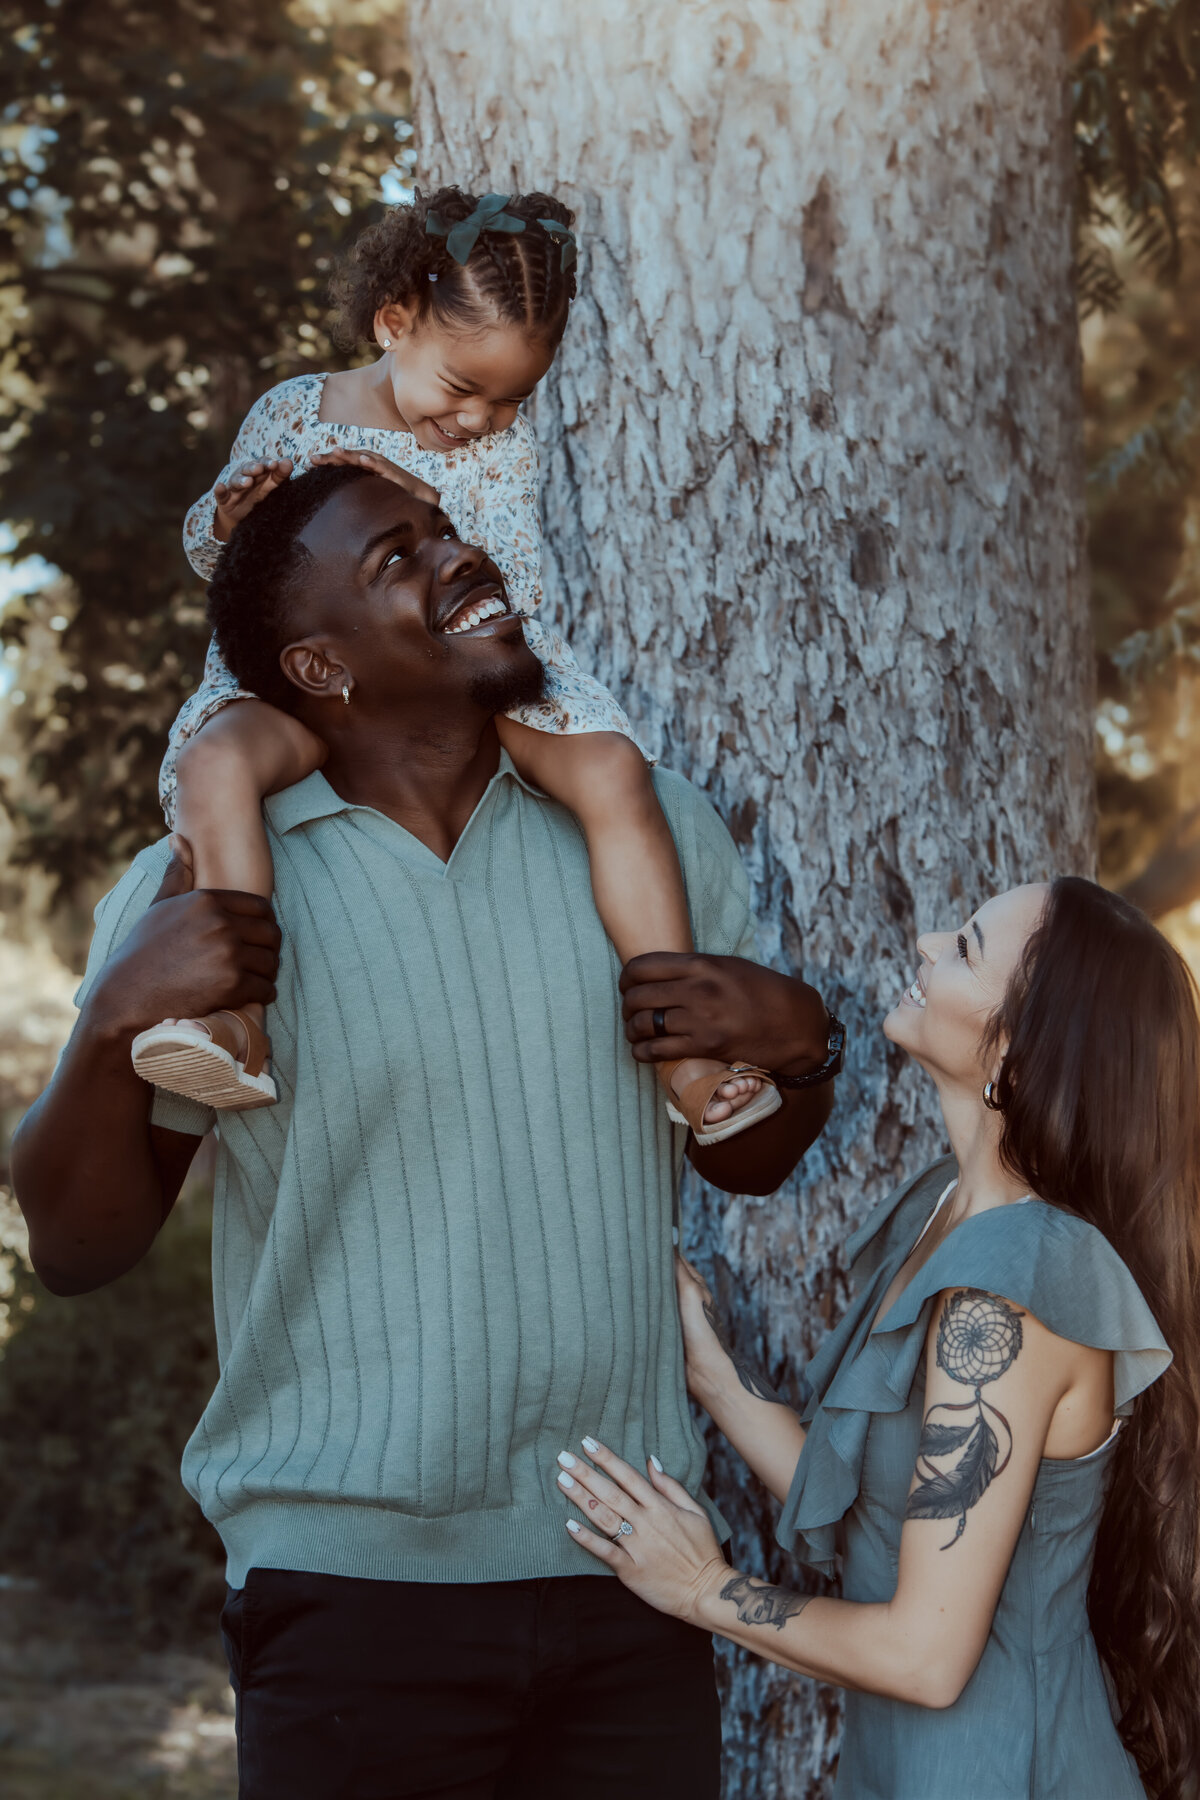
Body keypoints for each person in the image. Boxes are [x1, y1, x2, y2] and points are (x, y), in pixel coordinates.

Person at [11, 464, 845, 1799]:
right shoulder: (203, 890)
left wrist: (800, 1051)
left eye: (450, 531)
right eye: (400, 557)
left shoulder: (645, 829)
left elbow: (748, 1156)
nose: (458, 557)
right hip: (349, 1597)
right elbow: (75, 1244)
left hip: (632, 1569)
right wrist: (116, 1016)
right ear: (318, 664)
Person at [132, 183, 776, 1145]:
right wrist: (225, 522)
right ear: (393, 323)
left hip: (469, 671)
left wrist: (422, 491)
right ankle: (237, 1019)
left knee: (611, 771)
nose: (483, 418)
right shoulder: (293, 412)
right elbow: (226, 564)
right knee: (219, 763)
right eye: (462, 389)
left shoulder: (497, 455)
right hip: (307, 680)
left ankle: (680, 1049)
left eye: (514, 397)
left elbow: (503, 585)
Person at [555, 878, 1200, 1799]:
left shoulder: (1015, 1285)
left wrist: (704, 1588)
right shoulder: (943, 1212)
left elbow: (925, 1655)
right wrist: (718, 1380)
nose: (929, 940)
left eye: (968, 948)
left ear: (1015, 1050)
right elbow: (882, 1515)